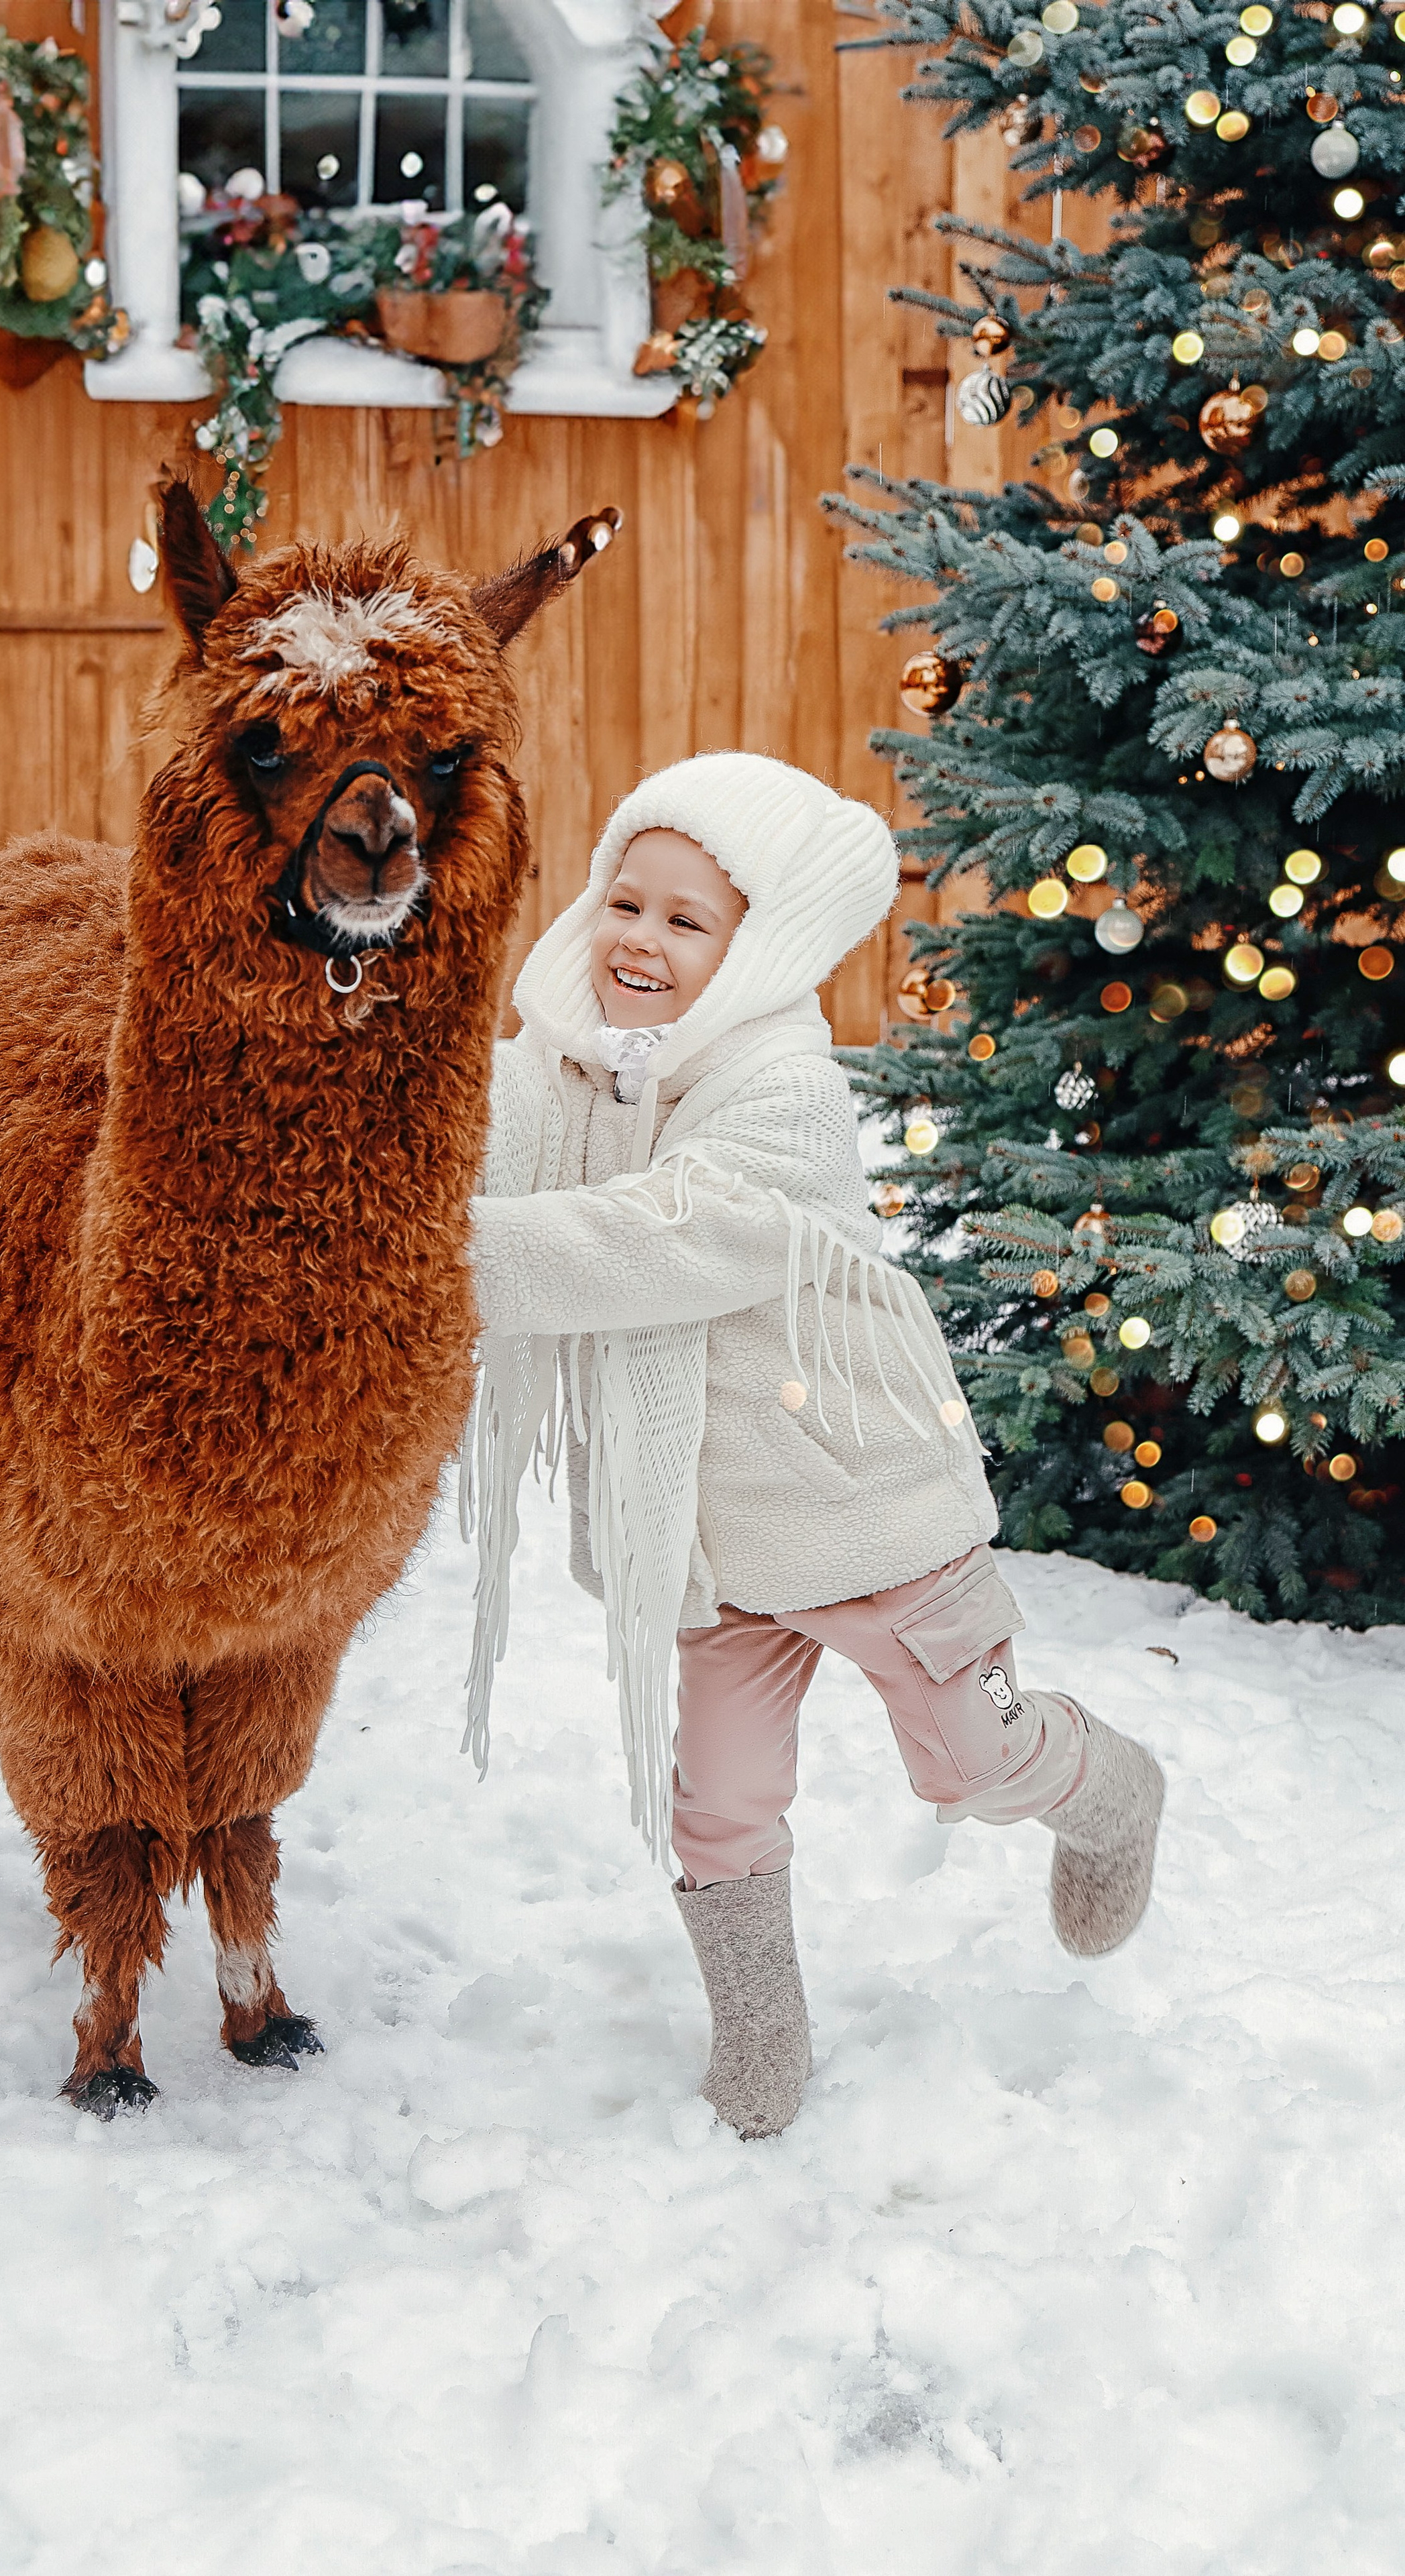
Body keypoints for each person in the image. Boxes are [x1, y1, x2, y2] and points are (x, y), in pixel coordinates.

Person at [460, 752, 1164, 2141]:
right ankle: (759, 2041)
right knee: (714, 1803)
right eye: (625, 901)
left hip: (857, 1513)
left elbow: (679, 1234)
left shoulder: (781, 1090)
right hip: (711, 1544)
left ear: (752, 949)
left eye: (684, 921)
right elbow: (457, 1120)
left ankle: (1108, 1787)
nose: (640, 943)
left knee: (965, 1753)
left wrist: (440, 1260)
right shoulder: (563, 1073)